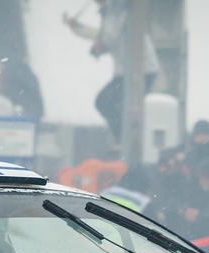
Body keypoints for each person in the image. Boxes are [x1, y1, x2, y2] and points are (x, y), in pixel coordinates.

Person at [64, 0, 159, 145]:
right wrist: (78, 28)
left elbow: (110, 37)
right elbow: (103, 36)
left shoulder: (117, 8)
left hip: (140, 70)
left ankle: (126, 139)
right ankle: (123, 138)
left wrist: (99, 46)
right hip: (127, 71)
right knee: (106, 103)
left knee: (108, 103)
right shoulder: (112, 11)